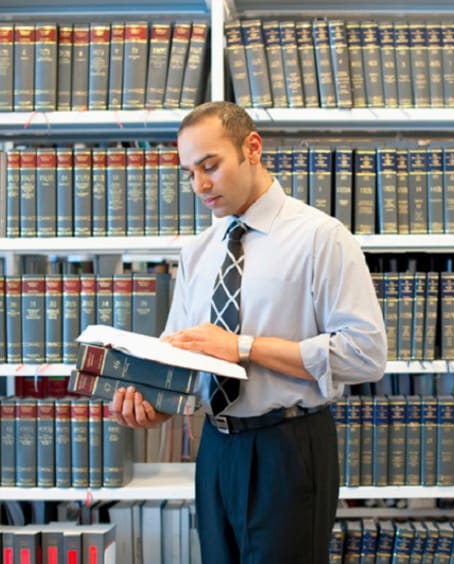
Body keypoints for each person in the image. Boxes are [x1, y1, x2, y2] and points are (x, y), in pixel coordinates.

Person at [111, 101, 387, 563]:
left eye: (210, 166)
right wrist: (153, 406)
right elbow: (181, 357)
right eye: (189, 172)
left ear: (251, 148)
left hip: (288, 448)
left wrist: (243, 348)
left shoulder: (321, 237)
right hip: (216, 449)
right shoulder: (198, 252)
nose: (199, 185)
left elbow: (366, 353)